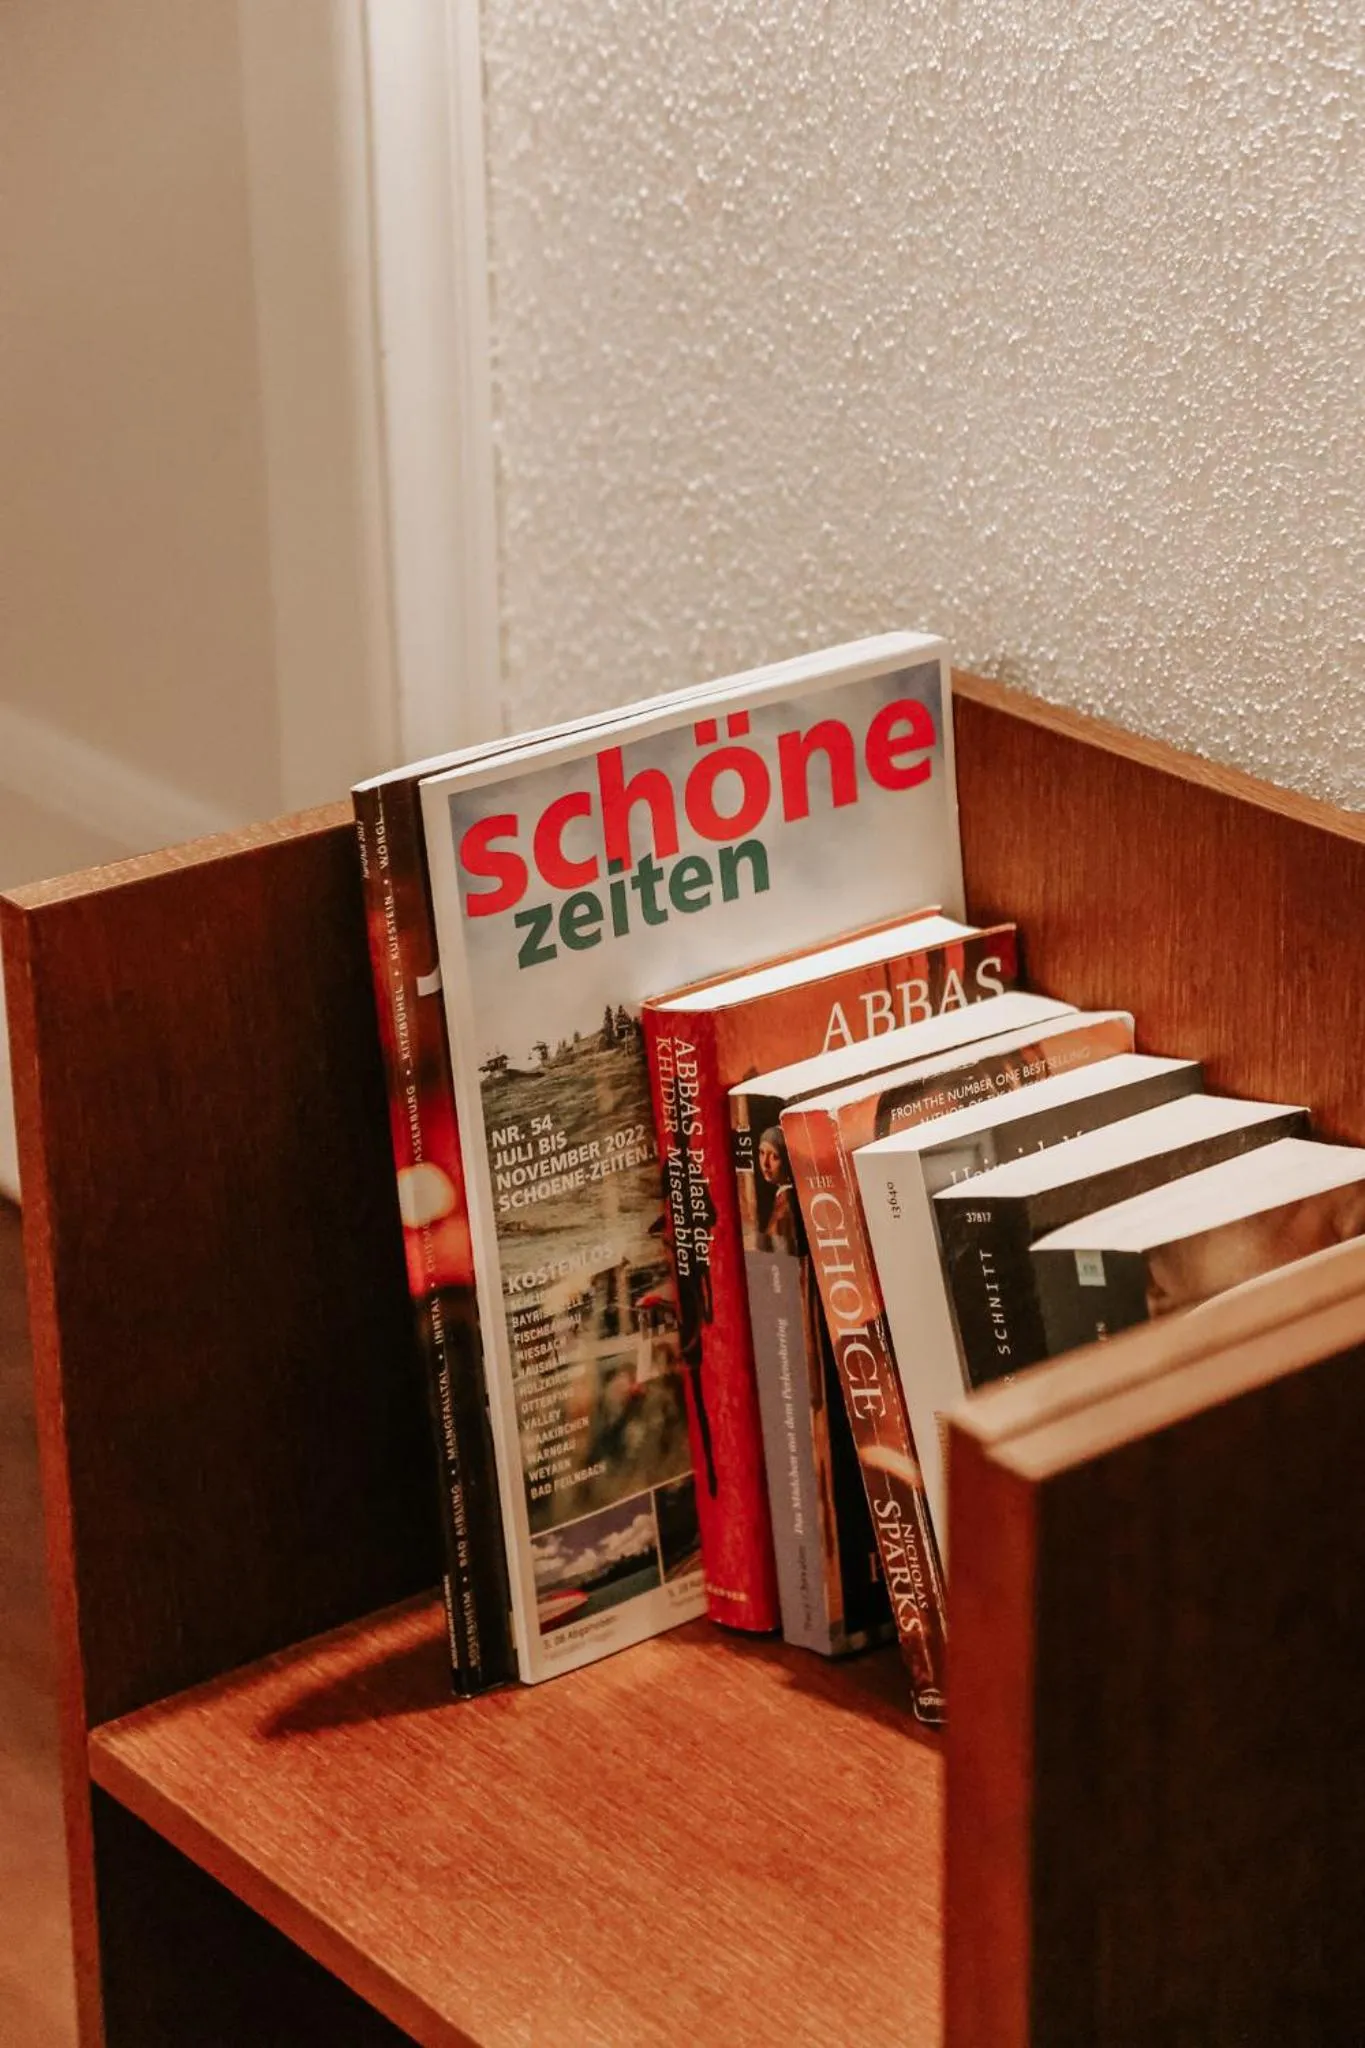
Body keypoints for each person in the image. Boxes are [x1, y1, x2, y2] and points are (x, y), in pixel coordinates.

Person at [756, 1126, 801, 1256]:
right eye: (762, 1153)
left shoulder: (786, 1203)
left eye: (774, 1156)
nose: (765, 1163)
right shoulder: (782, 1198)